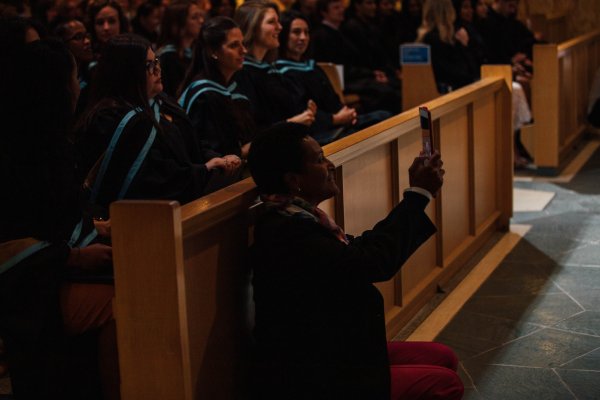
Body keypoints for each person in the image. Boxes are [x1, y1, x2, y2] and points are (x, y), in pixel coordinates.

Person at [247, 122, 464, 399]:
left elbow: (357, 248)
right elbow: (371, 262)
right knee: (445, 384)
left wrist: (416, 197)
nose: (330, 165)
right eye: (319, 160)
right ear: (294, 180)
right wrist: (418, 196)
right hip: (318, 376)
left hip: (339, 350)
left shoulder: (297, 217)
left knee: (443, 356)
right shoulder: (288, 232)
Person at [0, 38, 117, 400]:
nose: (77, 85)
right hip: (31, 291)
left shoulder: (48, 140)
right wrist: (74, 256)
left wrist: (95, 228)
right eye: (74, 76)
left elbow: (55, 214)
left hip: (55, 272)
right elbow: (11, 241)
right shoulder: (16, 153)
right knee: (131, 306)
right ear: (52, 87)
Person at [77, 33, 241, 218]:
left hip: (187, 206)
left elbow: (192, 141)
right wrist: (204, 170)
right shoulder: (110, 118)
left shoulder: (162, 101)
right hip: (144, 221)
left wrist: (215, 159)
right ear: (127, 71)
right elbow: (149, 182)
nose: (157, 70)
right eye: (149, 65)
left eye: (156, 61)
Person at [276, 10, 391, 144]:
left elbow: (331, 97)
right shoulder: (281, 72)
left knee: (383, 117)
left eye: (306, 32)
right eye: (296, 32)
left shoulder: (312, 65)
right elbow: (301, 112)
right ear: (284, 36)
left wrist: (346, 113)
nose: (303, 37)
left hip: (339, 122)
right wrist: (335, 118)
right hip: (318, 132)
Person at [179, 16, 256, 161]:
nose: (244, 50)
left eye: (242, 43)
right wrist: (245, 151)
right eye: (234, 45)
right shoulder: (203, 94)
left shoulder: (235, 85)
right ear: (213, 52)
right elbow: (203, 150)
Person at [233, 1, 317, 132]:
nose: (280, 27)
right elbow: (256, 127)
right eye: (272, 22)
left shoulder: (269, 68)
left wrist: (306, 112)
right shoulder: (242, 73)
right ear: (253, 26)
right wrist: (292, 122)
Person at [311, 0, 401, 114]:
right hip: (339, 82)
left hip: (350, 77)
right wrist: (370, 74)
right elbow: (341, 68)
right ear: (324, 12)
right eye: (336, 8)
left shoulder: (338, 31)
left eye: (342, 7)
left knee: (392, 85)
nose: (341, 10)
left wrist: (372, 73)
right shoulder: (322, 35)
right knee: (385, 92)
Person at [417, 0, 477, 93]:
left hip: (429, 95)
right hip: (447, 94)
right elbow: (466, 73)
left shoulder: (424, 37)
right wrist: (464, 46)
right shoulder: (441, 39)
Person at [157, 0, 204, 96]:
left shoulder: (195, 51)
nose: (201, 21)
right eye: (194, 17)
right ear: (178, 24)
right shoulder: (168, 57)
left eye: (200, 16)